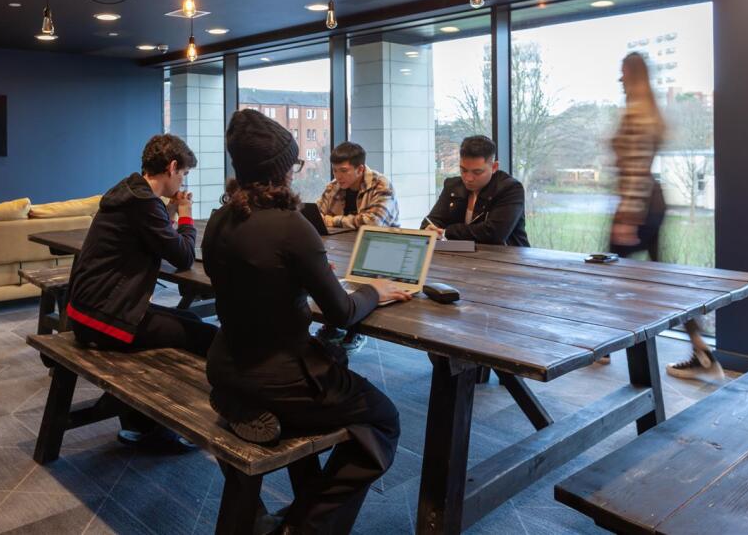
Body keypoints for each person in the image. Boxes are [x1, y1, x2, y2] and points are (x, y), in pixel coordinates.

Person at [203, 109, 408, 534]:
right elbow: (341, 313)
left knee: (334, 364)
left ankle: (252, 411)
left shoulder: (219, 219)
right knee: (383, 419)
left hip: (225, 366)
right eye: (293, 165)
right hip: (281, 378)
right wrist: (374, 291)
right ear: (280, 171)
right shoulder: (291, 226)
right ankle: (305, 525)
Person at [66, 134, 219, 444]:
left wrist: (170, 213)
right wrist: (186, 213)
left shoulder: (129, 193)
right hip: (105, 319)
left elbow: (155, 235)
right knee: (206, 337)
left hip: (85, 311)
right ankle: (174, 423)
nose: (183, 181)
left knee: (190, 320)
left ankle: (141, 421)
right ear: (172, 167)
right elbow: (183, 256)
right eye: (184, 173)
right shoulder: (143, 204)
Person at [609, 53, 722, 379]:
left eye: (623, 73)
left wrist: (628, 217)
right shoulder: (649, 113)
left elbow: (635, 167)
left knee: (610, 272)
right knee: (661, 278)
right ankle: (702, 353)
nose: (620, 80)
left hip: (638, 205)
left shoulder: (636, 115)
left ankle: (606, 352)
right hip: (652, 202)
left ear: (632, 75)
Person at [315, 141, 401, 353]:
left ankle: (356, 329)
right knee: (328, 274)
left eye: (344, 170)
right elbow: (317, 215)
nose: (338, 176)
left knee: (357, 281)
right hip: (345, 246)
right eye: (335, 170)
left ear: (360, 168)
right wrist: (331, 220)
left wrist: (333, 220)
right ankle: (334, 323)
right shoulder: (334, 186)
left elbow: (373, 223)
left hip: (382, 248)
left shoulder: (381, 185)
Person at [421, 135, 529, 246]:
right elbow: (430, 221)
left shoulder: (510, 189)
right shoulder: (453, 186)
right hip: (461, 255)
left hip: (507, 255)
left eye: (477, 172)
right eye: (463, 170)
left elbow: (493, 233)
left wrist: (446, 232)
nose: (468, 178)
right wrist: (429, 229)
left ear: (494, 167)